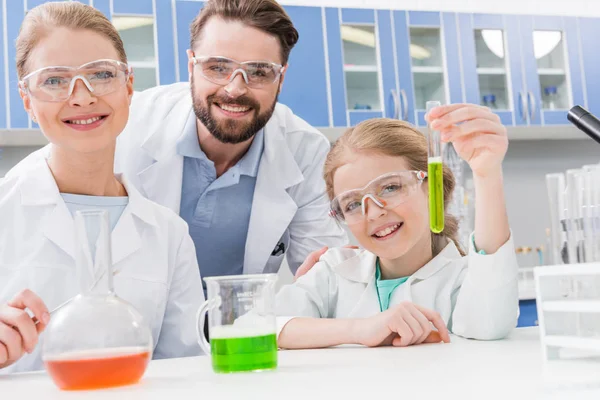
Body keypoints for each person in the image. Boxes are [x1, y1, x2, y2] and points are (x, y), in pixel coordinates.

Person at [10, 0, 347, 290]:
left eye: (258, 72)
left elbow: (327, 276)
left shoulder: (304, 151)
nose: (234, 89)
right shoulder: (124, 120)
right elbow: (44, 178)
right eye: (217, 67)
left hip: (240, 333)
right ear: (192, 66)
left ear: (281, 78)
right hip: (143, 330)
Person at [0, 2, 203, 373]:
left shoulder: (169, 235)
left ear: (128, 86)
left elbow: (185, 373)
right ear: (27, 99)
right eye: (54, 80)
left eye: (101, 74)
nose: (81, 96)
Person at [276, 106, 519, 349]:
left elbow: (490, 324)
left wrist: (487, 174)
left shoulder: (460, 280)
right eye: (353, 204)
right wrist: (359, 329)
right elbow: (264, 326)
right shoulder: (333, 272)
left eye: (390, 187)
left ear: (432, 185)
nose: (373, 213)